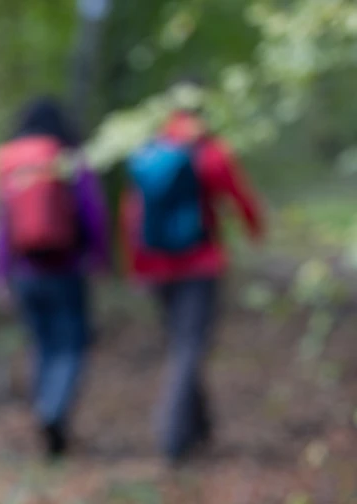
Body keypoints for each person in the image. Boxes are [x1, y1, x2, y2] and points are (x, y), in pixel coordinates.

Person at [120, 80, 265, 464]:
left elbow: (131, 213)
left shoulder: (149, 153)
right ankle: (171, 435)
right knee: (190, 347)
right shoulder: (209, 153)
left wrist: (136, 266)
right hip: (200, 264)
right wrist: (254, 230)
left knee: (183, 345)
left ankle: (200, 428)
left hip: (154, 268)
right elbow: (239, 196)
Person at [0, 96, 110, 458]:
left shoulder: (9, 163)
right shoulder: (68, 159)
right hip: (67, 270)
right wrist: (99, 260)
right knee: (71, 344)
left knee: (42, 345)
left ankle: (44, 409)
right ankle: (54, 411)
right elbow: (93, 214)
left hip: (25, 272)